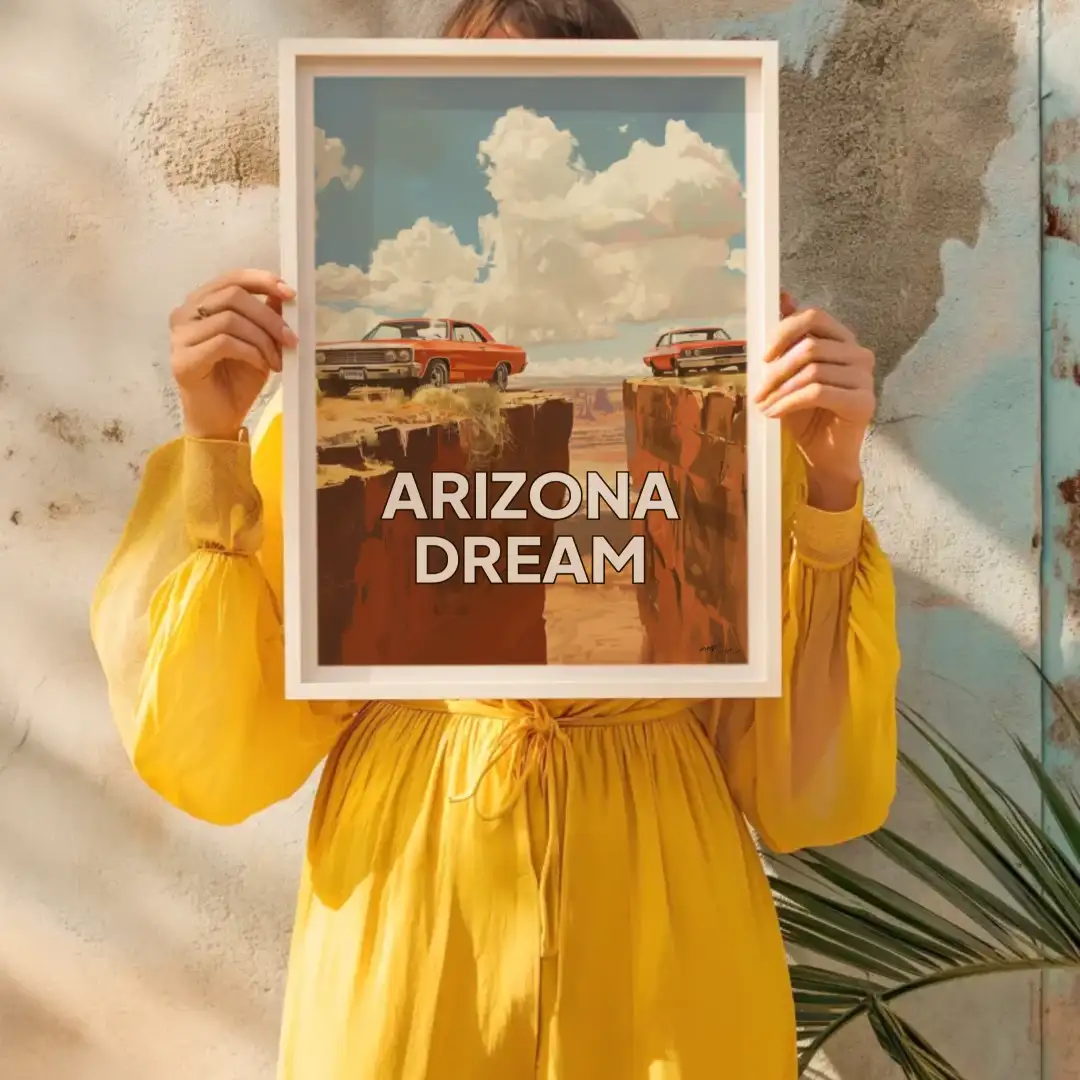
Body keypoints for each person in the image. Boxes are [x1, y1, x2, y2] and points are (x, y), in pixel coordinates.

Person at [90, 0, 900, 1076]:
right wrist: (215, 437)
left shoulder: (720, 423)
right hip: (418, 886)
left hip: (662, 901)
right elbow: (219, 749)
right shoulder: (346, 423)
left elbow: (804, 787)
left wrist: (831, 475)